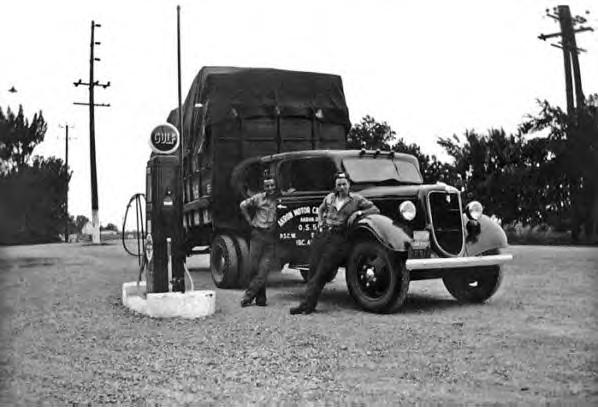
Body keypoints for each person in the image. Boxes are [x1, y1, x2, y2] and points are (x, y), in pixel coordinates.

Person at [290, 172, 380, 315]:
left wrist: (358, 214)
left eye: (344, 184)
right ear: (335, 186)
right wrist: (320, 222)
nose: (342, 187)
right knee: (313, 269)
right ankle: (308, 304)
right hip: (323, 235)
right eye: (339, 184)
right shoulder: (330, 198)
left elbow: (375, 209)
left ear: (349, 185)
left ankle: (307, 305)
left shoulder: (356, 199)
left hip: (338, 238)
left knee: (322, 272)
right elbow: (320, 209)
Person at [239, 176, 278, 307]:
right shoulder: (258, 198)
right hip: (258, 235)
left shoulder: (279, 199)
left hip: (270, 237)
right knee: (254, 268)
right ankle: (261, 299)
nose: (270, 188)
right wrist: (249, 221)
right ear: (264, 187)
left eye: (272, 185)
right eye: (267, 186)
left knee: (264, 269)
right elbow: (243, 205)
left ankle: (248, 296)